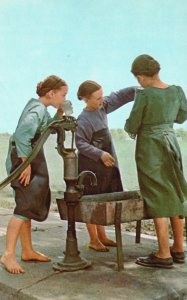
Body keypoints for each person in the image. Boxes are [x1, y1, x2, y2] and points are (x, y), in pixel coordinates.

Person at [0, 75, 68, 274]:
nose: (64, 98)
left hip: (29, 156)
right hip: (24, 158)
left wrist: (60, 114)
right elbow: (22, 135)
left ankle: (27, 250)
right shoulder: (37, 109)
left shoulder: (41, 109)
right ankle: (8, 254)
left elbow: (48, 130)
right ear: (51, 93)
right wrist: (25, 163)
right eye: (63, 95)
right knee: (24, 206)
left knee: (27, 205)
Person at [125, 54, 187, 268]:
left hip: (150, 147)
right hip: (171, 142)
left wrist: (134, 126)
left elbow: (132, 125)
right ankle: (178, 248)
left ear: (141, 76)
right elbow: (181, 116)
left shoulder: (144, 95)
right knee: (175, 191)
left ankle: (163, 254)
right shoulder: (177, 90)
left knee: (156, 194)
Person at [75, 80, 136, 252]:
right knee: (91, 200)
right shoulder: (83, 119)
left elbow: (119, 96)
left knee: (103, 196)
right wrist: (99, 154)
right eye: (97, 98)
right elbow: (80, 144)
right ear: (85, 99)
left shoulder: (102, 106)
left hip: (105, 161)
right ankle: (93, 239)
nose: (102, 100)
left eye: (102, 96)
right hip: (90, 165)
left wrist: (137, 89)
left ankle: (102, 235)